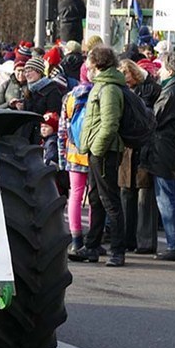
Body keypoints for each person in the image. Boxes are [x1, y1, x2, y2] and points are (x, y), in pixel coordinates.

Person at [70, 46, 127, 267]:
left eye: (90, 65)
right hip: (97, 151)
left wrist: (97, 147)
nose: (88, 69)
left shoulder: (109, 88)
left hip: (105, 152)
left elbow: (110, 122)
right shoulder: (101, 86)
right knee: (95, 198)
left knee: (110, 200)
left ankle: (117, 250)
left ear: (98, 65)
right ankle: (91, 246)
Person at [142, 52, 175, 261]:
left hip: (166, 149)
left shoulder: (172, 91)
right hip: (173, 148)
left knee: (166, 198)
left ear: (171, 71)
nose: (159, 72)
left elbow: (155, 117)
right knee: (170, 196)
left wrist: (143, 107)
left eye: (162, 68)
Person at [117, 59, 161, 254]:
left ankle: (145, 242)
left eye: (126, 73)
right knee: (126, 193)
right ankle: (127, 239)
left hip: (145, 147)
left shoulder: (151, 90)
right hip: (127, 149)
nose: (124, 78)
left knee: (144, 195)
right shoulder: (121, 91)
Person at [58, 63, 93, 255]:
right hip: (94, 152)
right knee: (95, 197)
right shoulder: (98, 94)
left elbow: (63, 128)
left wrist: (62, 153)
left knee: (76, 195)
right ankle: (93, 238)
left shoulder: (70, 97)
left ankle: (76, 238)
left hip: (74, 152)